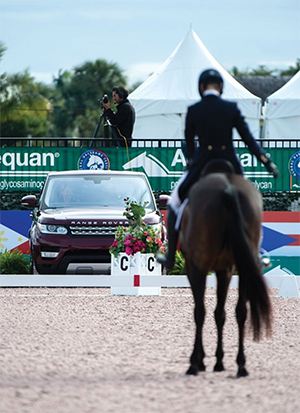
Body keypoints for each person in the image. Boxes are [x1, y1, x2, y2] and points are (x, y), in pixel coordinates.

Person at [157, 68, 279, 270]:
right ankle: (256, 253)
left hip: (202, 164)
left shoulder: (194, 110)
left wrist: (191, 162)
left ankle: (170, 256)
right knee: (251, 202)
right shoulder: (231, 108)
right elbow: (248, 139)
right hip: (230, 165)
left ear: (201, 88)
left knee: (175, 202)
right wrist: (266, 162)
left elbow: (188, 142)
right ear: (221, 87)